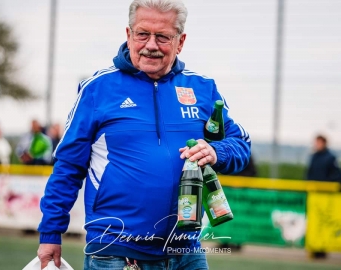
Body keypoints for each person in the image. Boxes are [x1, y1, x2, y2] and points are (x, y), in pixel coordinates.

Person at [37, 1, 251, 269]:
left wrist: (217, 151)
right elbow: (68, 166)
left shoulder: (203, 88)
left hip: (186, 252)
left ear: (180, 42)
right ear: (129, 35)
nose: (151, 44)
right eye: (142, 34)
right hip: (114, 252)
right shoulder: (98, 89)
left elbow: (241, 143)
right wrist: (50, 233)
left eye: (162, 37)